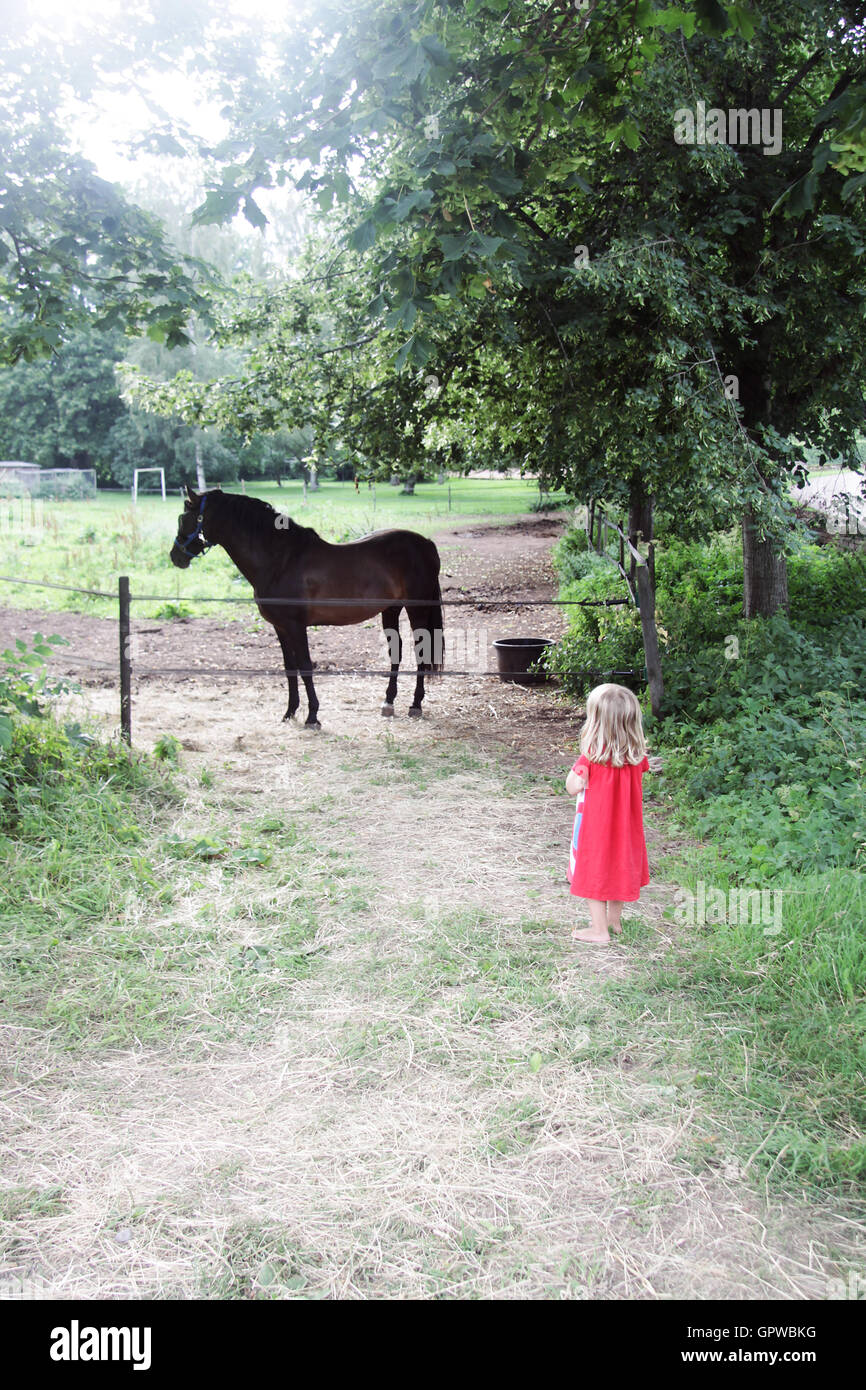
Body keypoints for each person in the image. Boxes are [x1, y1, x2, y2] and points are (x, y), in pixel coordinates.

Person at [565, 683, 659, 945]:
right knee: (618, 868)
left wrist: (578, 779)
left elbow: (571, 787)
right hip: (626, 829)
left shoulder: (591, 758)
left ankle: (599, 930)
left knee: (594, 872)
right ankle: (613, 921)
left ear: (596, 723)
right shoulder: (637, 758)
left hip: (596, 829)